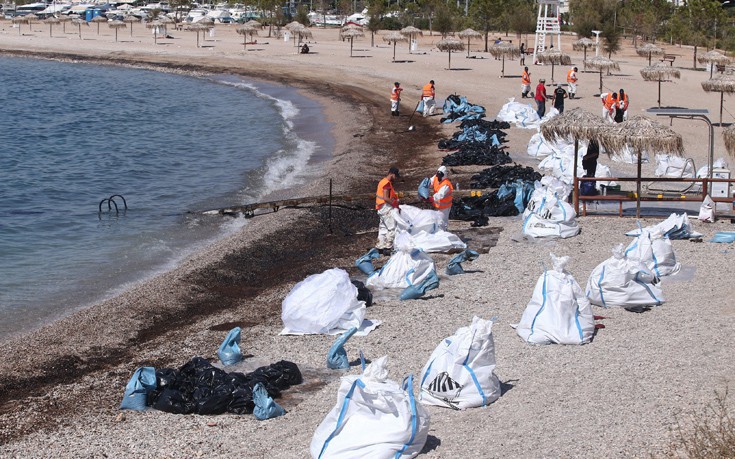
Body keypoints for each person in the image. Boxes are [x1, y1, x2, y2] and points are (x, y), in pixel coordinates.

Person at [375, 167, 401, 254]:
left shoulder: (382, 181)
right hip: (386, 208)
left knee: (383, 228)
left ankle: (380, 247)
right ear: (392, 174)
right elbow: (386, 198)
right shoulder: (386, 184)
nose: (396, 178)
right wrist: (395, 205)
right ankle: (388, 248)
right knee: (391, 228)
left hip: (380, 208)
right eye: (395, 176)